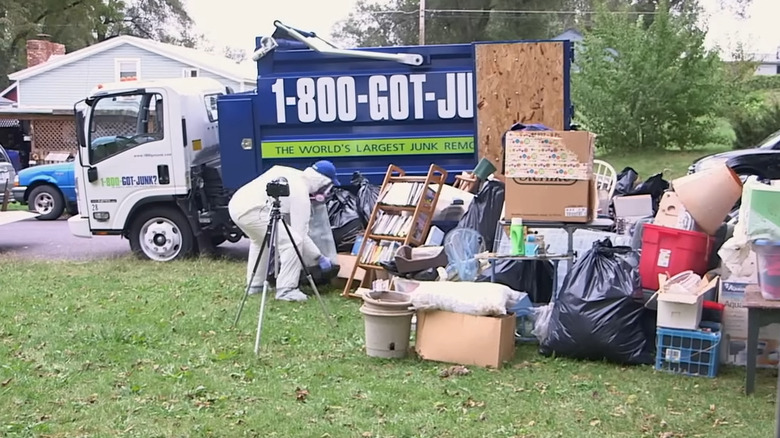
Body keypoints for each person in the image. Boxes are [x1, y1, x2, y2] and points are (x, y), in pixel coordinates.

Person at [228, 160, 338, 302]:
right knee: (293, 242)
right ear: (321, 182)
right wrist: (318, 257)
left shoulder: (294, 176)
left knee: (261, 242)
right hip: (252, 209)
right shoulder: (301, 192)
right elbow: (300, 235)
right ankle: (287, 290)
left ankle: (255, 285)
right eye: (327, 187)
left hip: (238, 205)